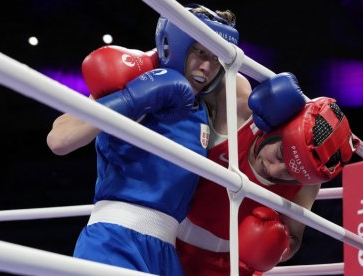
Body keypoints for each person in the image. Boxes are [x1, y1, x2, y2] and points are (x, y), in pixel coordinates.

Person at [46, 4, 241, 276]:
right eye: (199, 52)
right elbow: (59, 138)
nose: (207, 67)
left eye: (215, 58)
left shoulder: (205, 107)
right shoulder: (132, 78)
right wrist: (131, 99)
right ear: (177, 44)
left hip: (166, 253)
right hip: (113, 241)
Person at [176, 94, 360, 275]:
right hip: (170, 238)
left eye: (290, 173)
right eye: (280, 154)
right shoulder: (240, 111)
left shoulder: (307, 184)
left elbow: (294, 239)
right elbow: (202, 74)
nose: (274, 170)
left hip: (230, 264)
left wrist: (275, 245)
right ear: (280, 128)